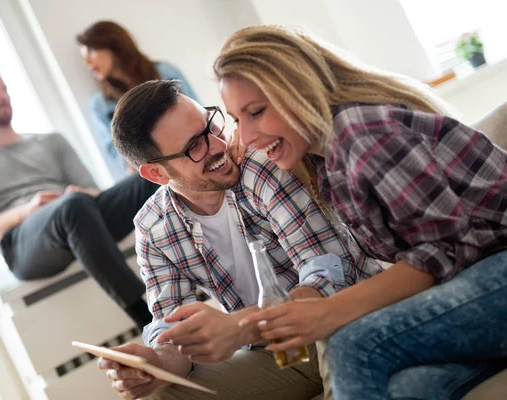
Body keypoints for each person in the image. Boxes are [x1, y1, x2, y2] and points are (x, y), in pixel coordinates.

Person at [214, 25, 507, 399]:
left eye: (256, 112)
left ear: (298, 88)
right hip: (474, 289)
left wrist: (331, 312)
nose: (247, 137)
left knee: (352, 345)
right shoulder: (325, 162)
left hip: (496, 270)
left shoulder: (362, 130)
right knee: (407, 390)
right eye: (237, 120)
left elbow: (440, 253)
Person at [95, 80, 381, 400]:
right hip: (274, 353)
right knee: (159, 395)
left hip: (337, 324)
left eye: (210, 124)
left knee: (338, 352)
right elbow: (171, 328)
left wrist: (241, 327)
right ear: (157, 174)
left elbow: (331, 275)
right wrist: (157, 362)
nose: (218, 145)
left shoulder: (260, 167)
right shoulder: (154, 227)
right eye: (194, 147)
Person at [0, 64, 159, 329]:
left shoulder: (52, 142)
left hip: (78, 216)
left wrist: (79, 194)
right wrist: (28, 209)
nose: (3, 96)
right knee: (72, 206)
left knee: (148, 176)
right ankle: (148, 319)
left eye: (5, 88)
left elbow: (93, 192)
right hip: (23, 244)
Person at [77, 20, 199, 182]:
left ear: (114, 45)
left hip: (191, 151)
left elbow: (198, 113)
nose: (87, 63)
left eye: (91, 51)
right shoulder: (101, 105)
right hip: (149, 173)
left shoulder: (166, 73)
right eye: (83, 56)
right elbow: (118, 154)